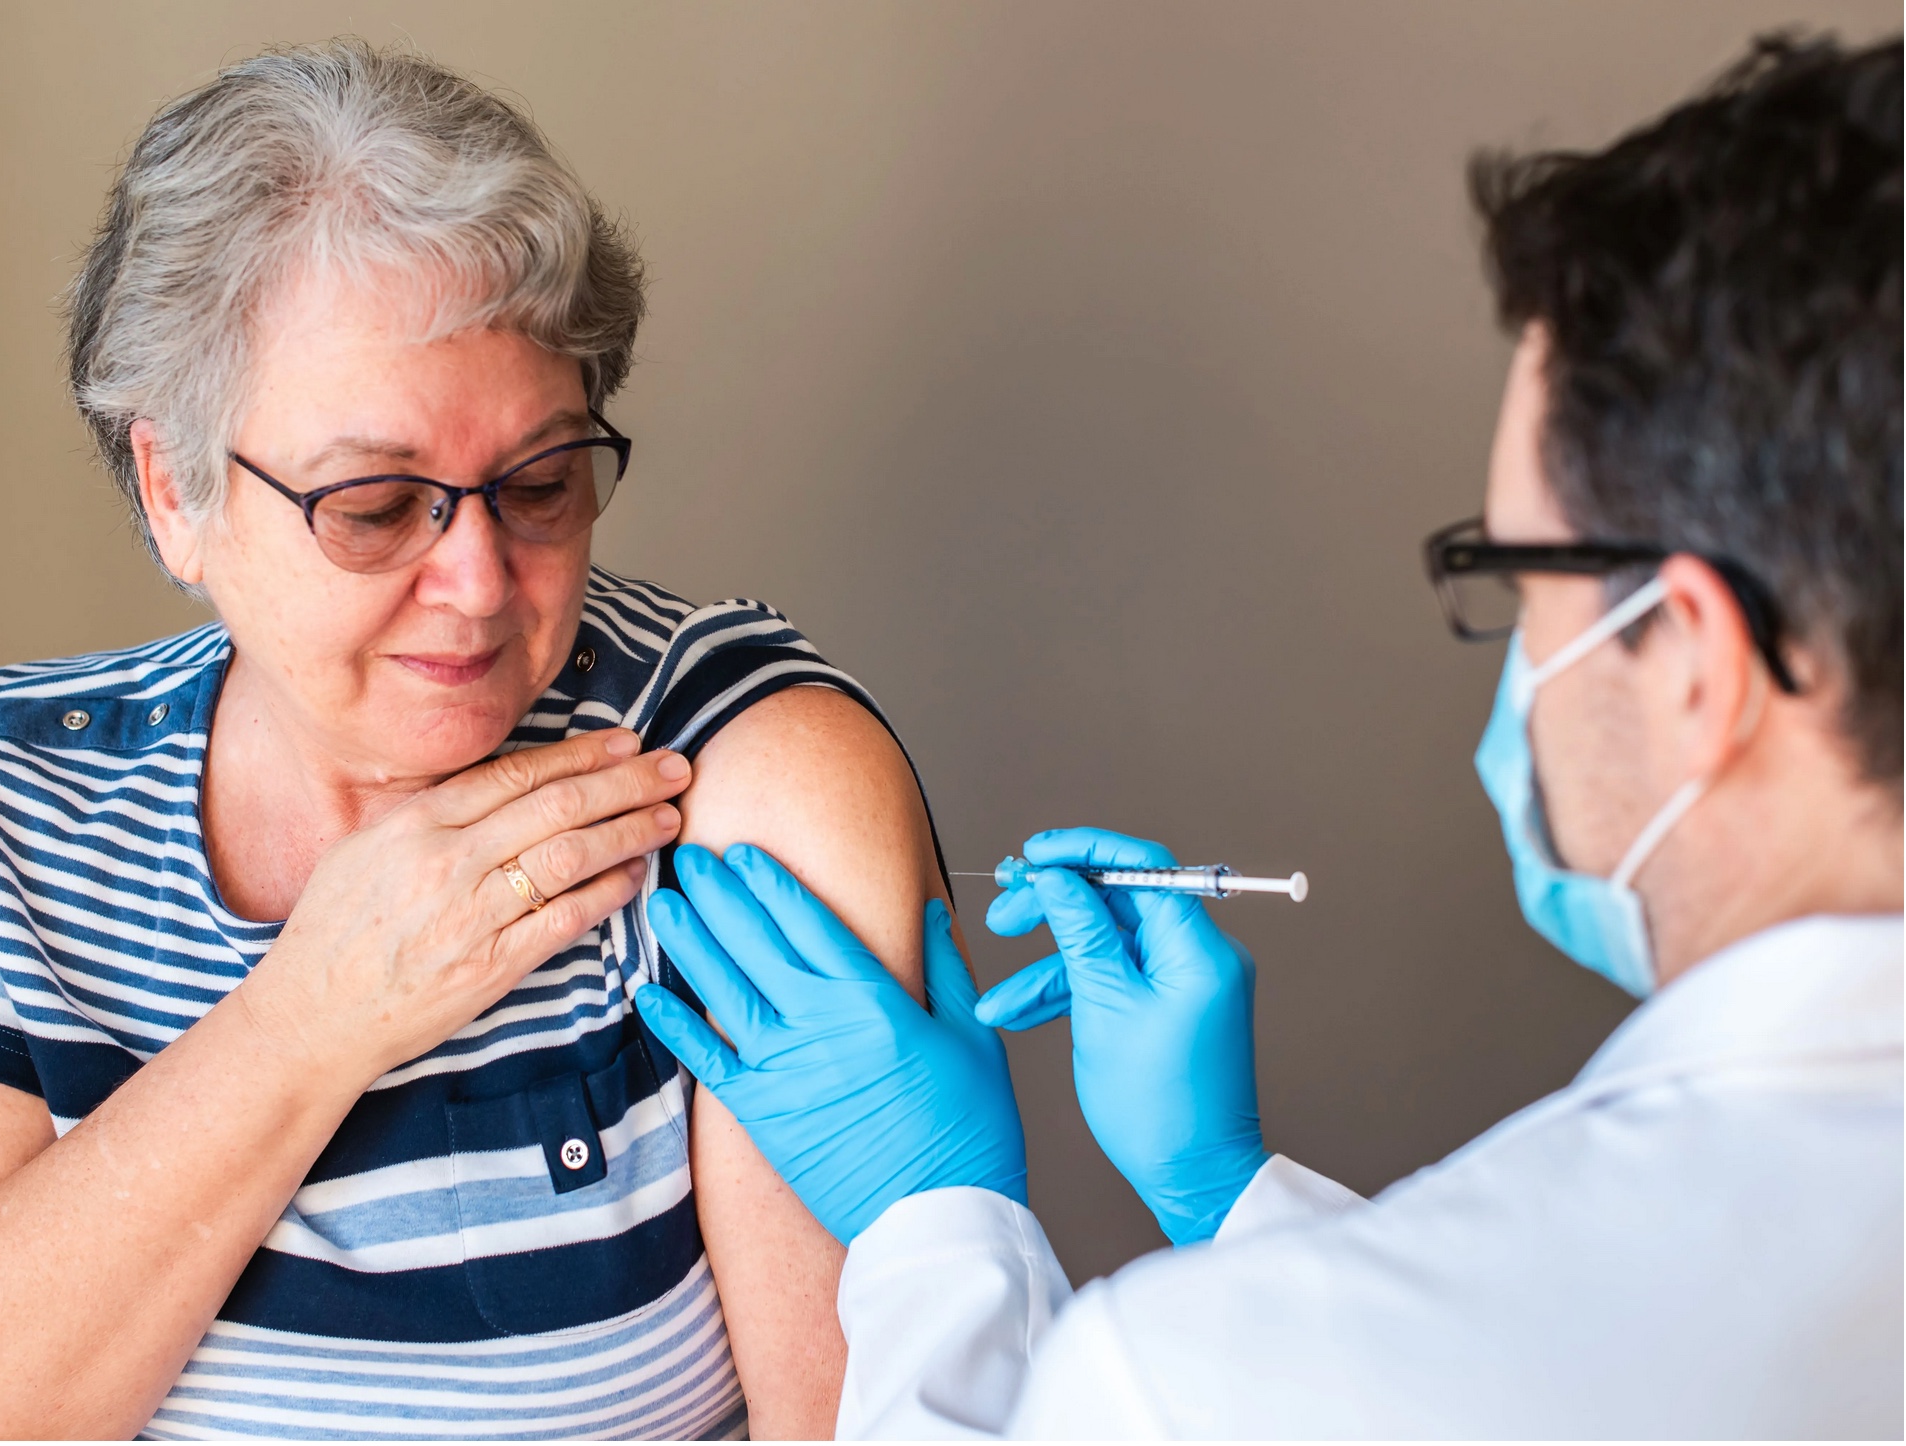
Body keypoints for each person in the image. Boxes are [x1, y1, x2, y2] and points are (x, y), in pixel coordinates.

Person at [631, 34, 1903, 1438]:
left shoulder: (1199, 1377)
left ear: (1694, 668)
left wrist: (932, 1219)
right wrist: (1227, 1189)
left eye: (1519, 582)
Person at [0, 42, 949, 1440]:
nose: (475, 581)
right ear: (177, 489)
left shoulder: (735, 780)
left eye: (540, 481)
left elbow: (866, 1422)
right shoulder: (31, 786)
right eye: (374, 503)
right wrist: (314, 1015)